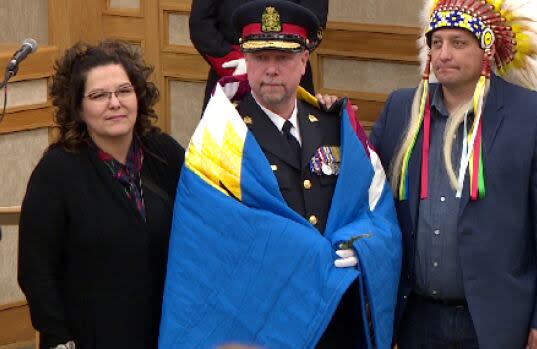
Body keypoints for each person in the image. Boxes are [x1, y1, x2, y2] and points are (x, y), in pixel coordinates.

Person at [158, 1, 401, 348]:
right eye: (260, 57)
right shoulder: (220, 141)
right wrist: (312, 254)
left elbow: (377, 211)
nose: (271, 69)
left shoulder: (338, 128)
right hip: (260, 324)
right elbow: (208, 245)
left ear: (304, 61)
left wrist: (361, 246)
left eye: (283, 58)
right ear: (245, 61)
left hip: (333, 321)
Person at [369, 0, 537, 348]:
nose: (443, 54)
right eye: (436, 43)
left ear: (487, 49)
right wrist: (330, 117)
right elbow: (363, 181)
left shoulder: (535, 116)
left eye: (458, 42)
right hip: (415, 319)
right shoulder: (401, 109)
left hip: (498, 322)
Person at [17, 40, 185, 349]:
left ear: (139, 96)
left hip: (167, 331)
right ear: (78, 108)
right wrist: (58, 338)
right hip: (92, 336)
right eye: (98, 96)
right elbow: (36, 269)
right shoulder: (56, 171)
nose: (115, 103)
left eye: (124, 91)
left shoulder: (165, 153)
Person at [188, 0, 328, 112]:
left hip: (288, 75)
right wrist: (241, 62)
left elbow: (315, 23)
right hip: (232, 74)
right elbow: (200, 23)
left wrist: (283, 58)